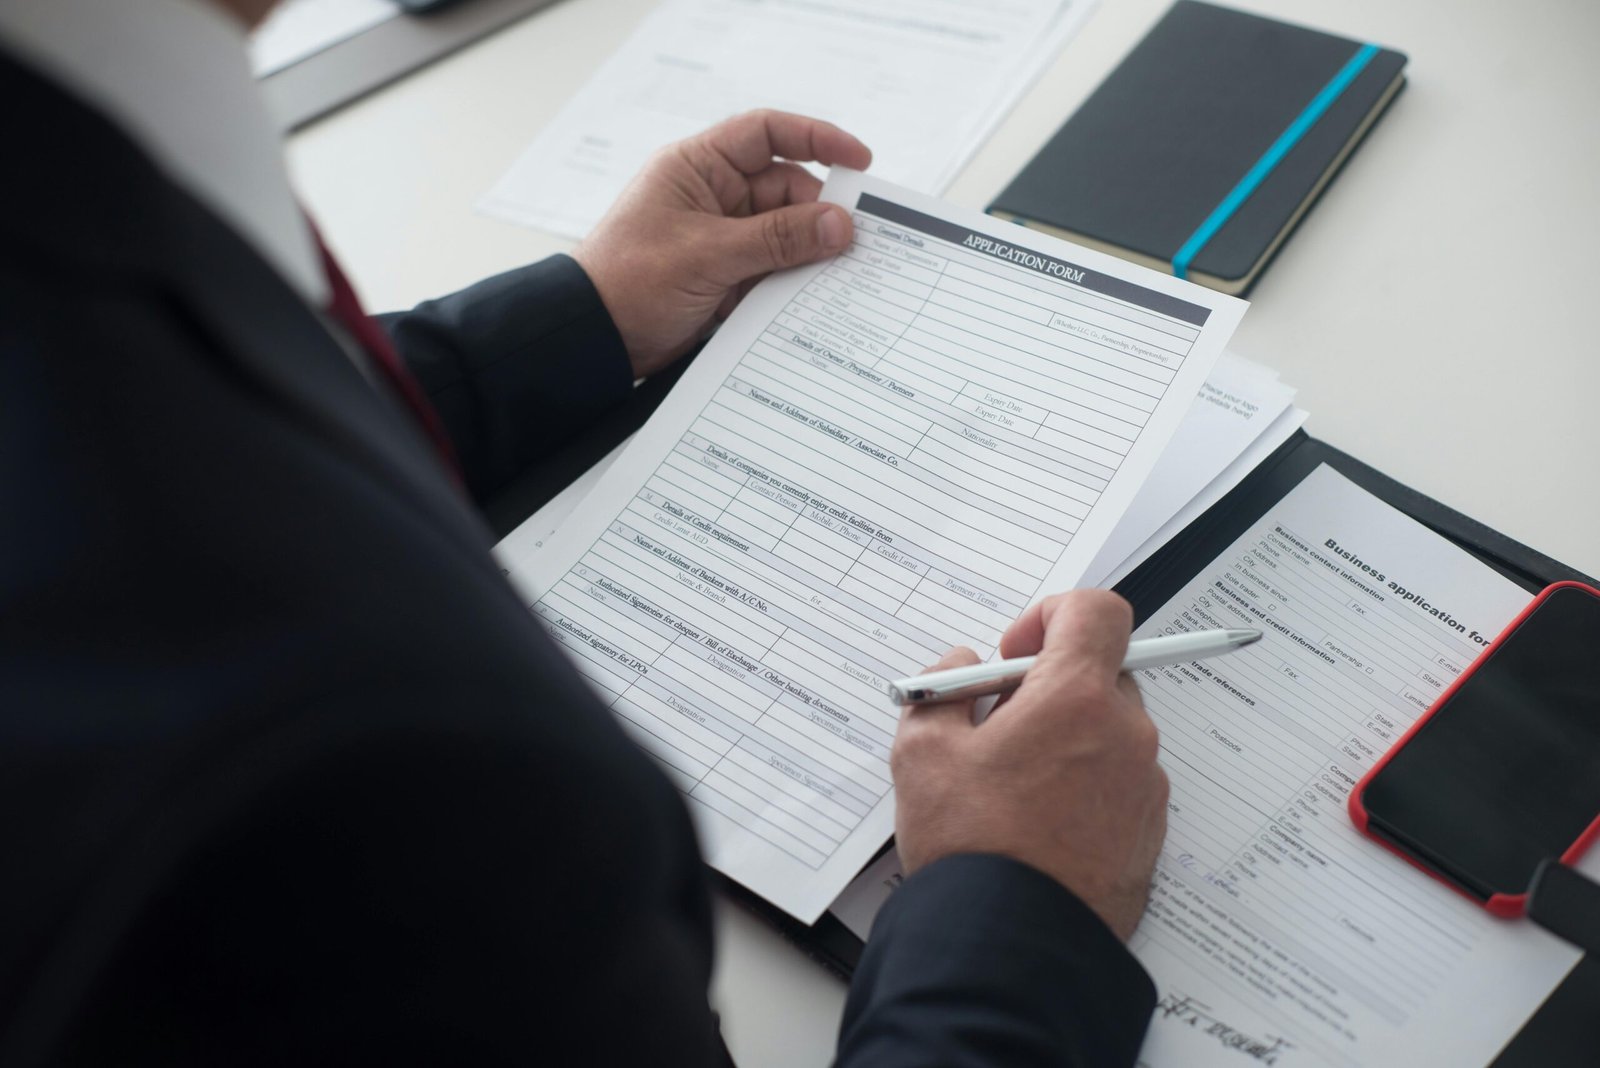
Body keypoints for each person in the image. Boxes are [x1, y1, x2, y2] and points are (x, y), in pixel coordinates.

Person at [0, 0, 1169, 1063]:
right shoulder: (343, 759)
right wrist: (1017, 910)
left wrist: (580, 319)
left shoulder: (81, 175)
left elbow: (197, 403)